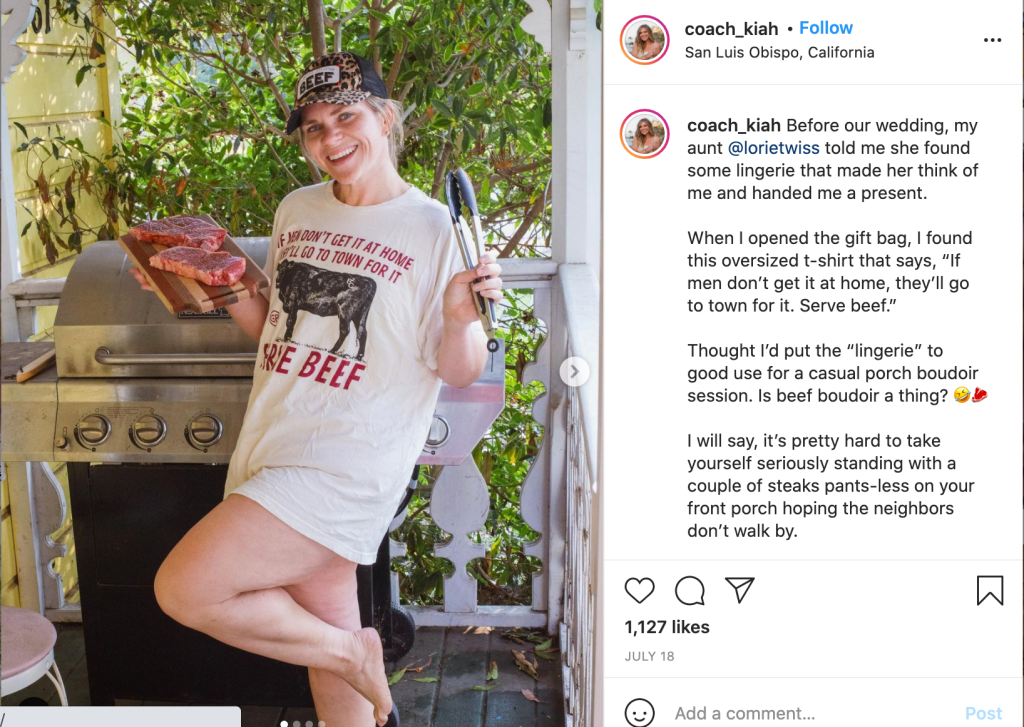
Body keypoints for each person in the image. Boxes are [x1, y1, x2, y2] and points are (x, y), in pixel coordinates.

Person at [133, 51, 503, 727]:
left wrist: (459, 315)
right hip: (277, 439)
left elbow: (458, 369)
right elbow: (277, 324)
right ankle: (350, 666)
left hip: (347, 464)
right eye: (312, 127)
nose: (330, 140)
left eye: (346, 117)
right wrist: (210, 286)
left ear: (386, 118)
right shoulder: (296, 208)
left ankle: (354, 651)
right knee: (334, 681)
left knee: (185, 587)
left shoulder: (431, 229)